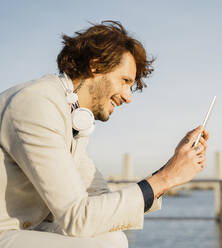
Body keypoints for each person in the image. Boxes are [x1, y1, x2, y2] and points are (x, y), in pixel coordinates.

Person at [0, 20, 209, 248]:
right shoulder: (38, 104)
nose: (128, 97)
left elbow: (100, 199)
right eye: (125, 81)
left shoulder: (72, 116)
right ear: (96, 66)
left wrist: (169, 172)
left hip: (21, 231)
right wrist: (168, 176)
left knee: (112, 238)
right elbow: (77, 217)